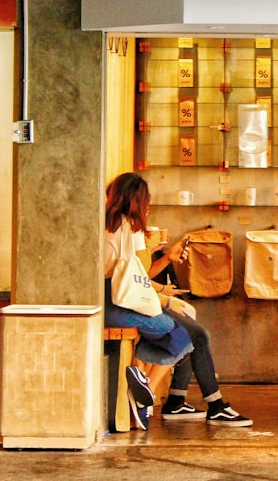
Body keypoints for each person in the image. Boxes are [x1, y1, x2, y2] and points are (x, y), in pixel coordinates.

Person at [104, 172, 193, 431]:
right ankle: (147, 393)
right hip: (120, 305)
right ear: (138, 200)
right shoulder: (131, 228)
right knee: (181, 337)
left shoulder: (102, 222)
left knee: (164, 332)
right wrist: (151, 247)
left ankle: (142, 386)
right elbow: (142, 272)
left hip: (102, 299)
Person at [146, 243, 253, 427]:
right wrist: (163, 293)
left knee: (190, 322)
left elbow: (137, 276)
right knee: (197, 335)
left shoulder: (130, 233)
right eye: (144, 211)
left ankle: (175, 401)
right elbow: (132, 278)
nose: (147, 212)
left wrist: (163, 287)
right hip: (135, 303)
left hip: (141, 297)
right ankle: (215, 405)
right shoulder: (128, 234)